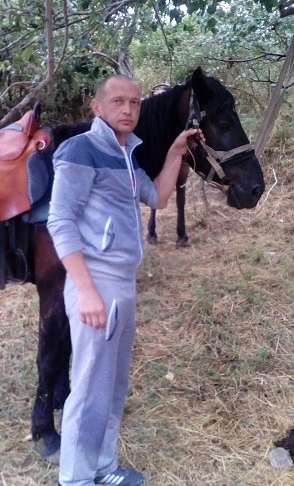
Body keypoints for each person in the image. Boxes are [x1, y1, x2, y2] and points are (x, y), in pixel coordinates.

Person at [47, 74, 203, 486]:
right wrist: (86, 290)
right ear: (97, 108)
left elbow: (158, 197)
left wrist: (175, 151)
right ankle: (76, 479)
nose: (129, 109)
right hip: (96, 283)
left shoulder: (127, 154)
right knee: (88, 388)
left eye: (134, 102)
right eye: (118, 101)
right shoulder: (81, 150)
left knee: (112, 384)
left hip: (123, 284)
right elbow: (60, 221)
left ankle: (102, 466)